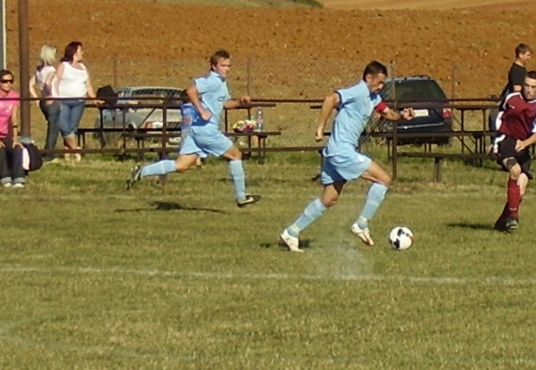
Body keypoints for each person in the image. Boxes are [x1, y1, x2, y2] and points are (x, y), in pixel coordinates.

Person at [279, 61, 415, 252]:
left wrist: (402, 116)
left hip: (336, 153)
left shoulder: (373, 97)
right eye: (379, 82)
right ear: (368, 78)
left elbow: (387, 113)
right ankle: (362, 224)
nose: (381, 86)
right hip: (342, 152)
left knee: (329, 199)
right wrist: (320, 128)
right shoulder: (358, 91)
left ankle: (291, 232)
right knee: (384, 179)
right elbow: (330, 99)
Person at [125, 49, 259, 208]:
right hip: (207, 130)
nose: (227, 69)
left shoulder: (221, 82)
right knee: (236, 155)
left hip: (197, 131)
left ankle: (141, 172)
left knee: (181, 166)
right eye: (223, 65)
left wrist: (240, 102)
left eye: (229, 65)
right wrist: (201, 111)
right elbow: (191, 91)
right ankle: (241, 197)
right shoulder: (213, 80)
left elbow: (224, 104)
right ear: (214, 66)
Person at [492, 71, 536, 232]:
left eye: (533, 87)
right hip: (506, 141)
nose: (528, 90)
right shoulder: (511, 98)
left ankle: (502, 222)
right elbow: (499, 115)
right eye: (526, 85)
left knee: (521, 190)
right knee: (515, 170)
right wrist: (496, 138)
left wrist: (525, 143)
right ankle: (513, 217)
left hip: (524, 145)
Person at [53, 41, 97, 162]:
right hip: (63, 101)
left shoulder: (83, 67)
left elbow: (88, 85)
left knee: (72, 128)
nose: (82, 53)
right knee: (64, 127)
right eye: (80, 50)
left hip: (79, 102)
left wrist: (94, 98)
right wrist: (55, 98)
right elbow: (56, 82)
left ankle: (67, 156)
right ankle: (76, 151)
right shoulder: (64, 66)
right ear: (74, 52)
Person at [29, 44, 60, 162]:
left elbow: (30, 85)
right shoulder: (52, 70)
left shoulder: (38, 70)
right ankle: (49, 154)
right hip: (52, 101)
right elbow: (48, 83)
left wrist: (37, 99)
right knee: (53, 127)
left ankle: (49, 151)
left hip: (43, 101)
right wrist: (50, 95)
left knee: (52, 126)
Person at [0, 70, 26, 188]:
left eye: (10, 81)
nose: (8, 84)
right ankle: (4, 177)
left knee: (17, 148)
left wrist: (15, 138)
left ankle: (18, 177)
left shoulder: (14, 96)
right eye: (5, 81)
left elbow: (14, 118)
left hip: (5, 134)